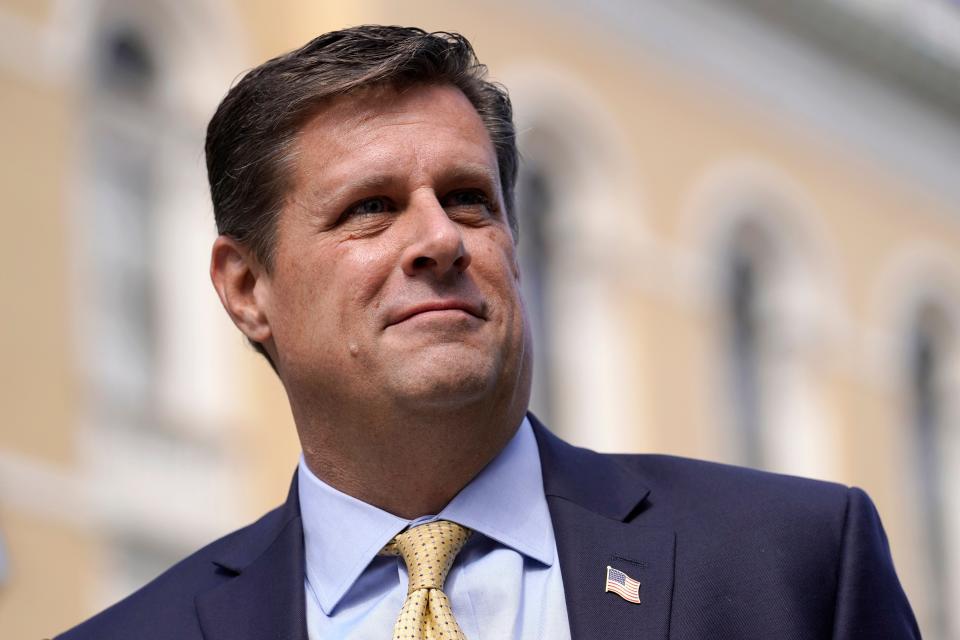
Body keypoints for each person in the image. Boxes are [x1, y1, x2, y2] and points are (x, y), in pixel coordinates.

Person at [57, 25, 919, 640]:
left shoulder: (792, 567)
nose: (439, 240)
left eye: (469, 199)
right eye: (372, 209)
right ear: (247, 290)